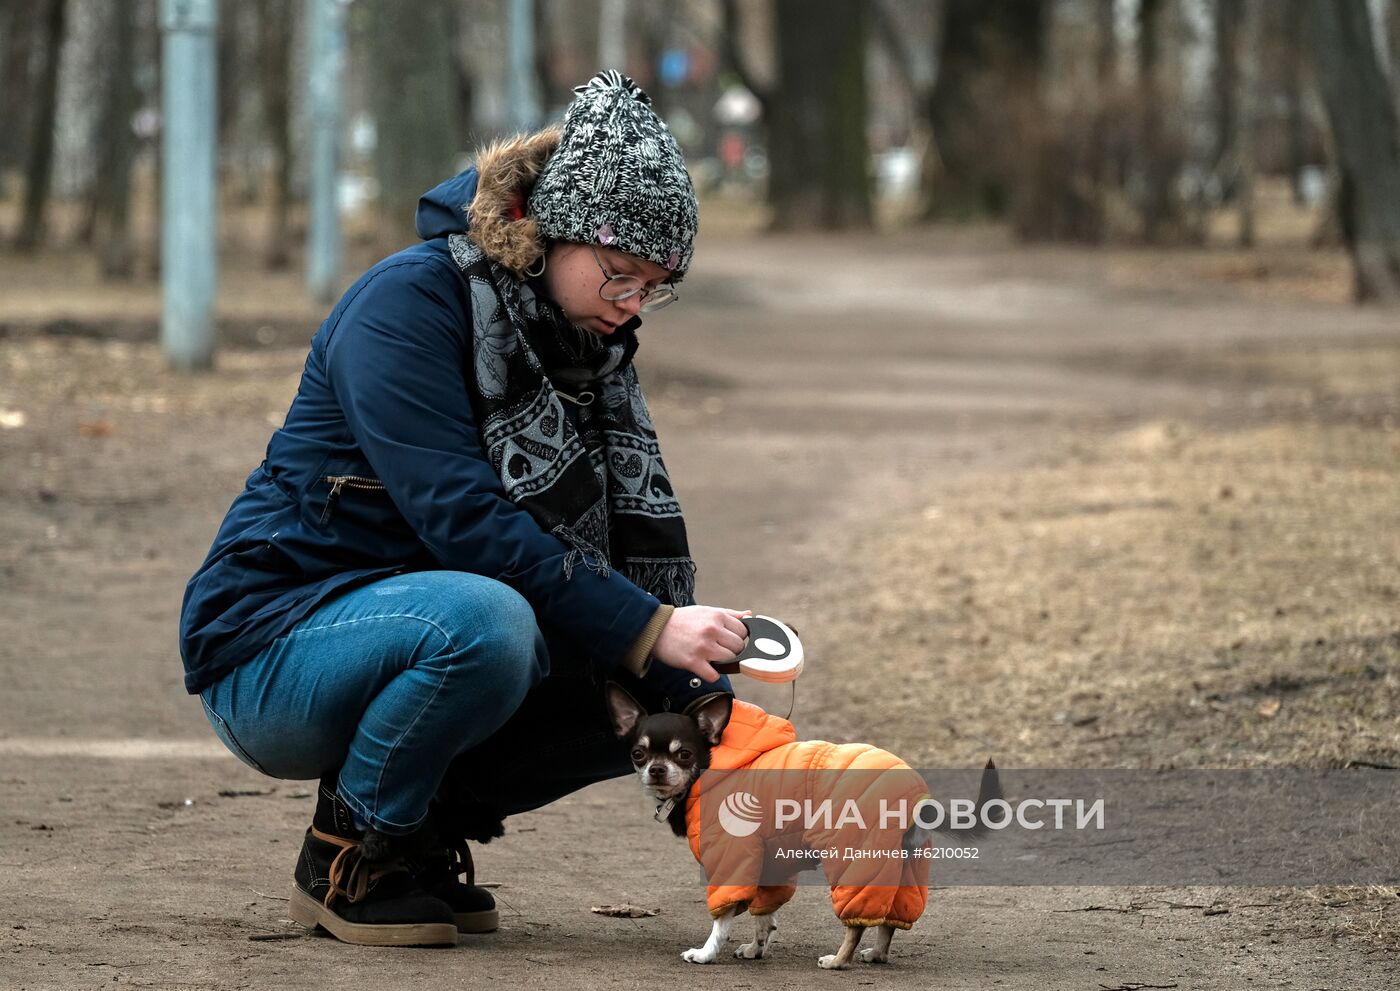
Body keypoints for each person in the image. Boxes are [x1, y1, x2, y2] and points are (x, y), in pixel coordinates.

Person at [179, 71, 746, 948]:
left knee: (674, 696)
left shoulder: (582, 348)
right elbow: (462, 519)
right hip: (270, 648)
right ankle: (354, 845)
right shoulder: (406, 306)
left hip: (418, 625)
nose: (632, 305)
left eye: (654, 286)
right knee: (490, 621)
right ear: (551, 230)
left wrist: (728, 731)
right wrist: (644, 623)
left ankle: (425, 825)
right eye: (620, 274)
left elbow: (617, 580)